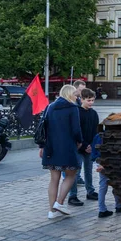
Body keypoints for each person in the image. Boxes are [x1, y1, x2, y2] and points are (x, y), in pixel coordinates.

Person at [39, 85, 83, 219]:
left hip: (51, 147)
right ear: (70, 94)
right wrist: (80, 141)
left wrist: (42, 146)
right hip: (67, 147)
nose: (77, 97)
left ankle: (51, 211)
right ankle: (60, 203)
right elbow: (76, 129)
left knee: (54, 179)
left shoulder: (50, 107)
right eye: (76, 95)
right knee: (71, 174)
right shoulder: (72, 108)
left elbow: (43, 127)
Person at [67, 89, 99, 206]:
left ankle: (90, 191)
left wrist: (92, 145)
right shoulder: (77, 112)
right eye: (88, 100)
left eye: (92, 100)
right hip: (79, 146)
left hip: (90, 146)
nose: (91, 103)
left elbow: (95, 131)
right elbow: (76, 130)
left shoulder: (94, 113)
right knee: (75, 171)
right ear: (82, 99)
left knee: (89, 171)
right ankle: (73, 195)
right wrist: (84, 145)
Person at [91, 134, 121, 218]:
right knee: (116, 184)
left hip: (100, 161)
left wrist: (98, 162)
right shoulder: (114, 136)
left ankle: (102, 209)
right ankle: (119, 206)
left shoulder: (98, 136)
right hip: (112, 163)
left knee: (103, 186)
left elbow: (94, 151)